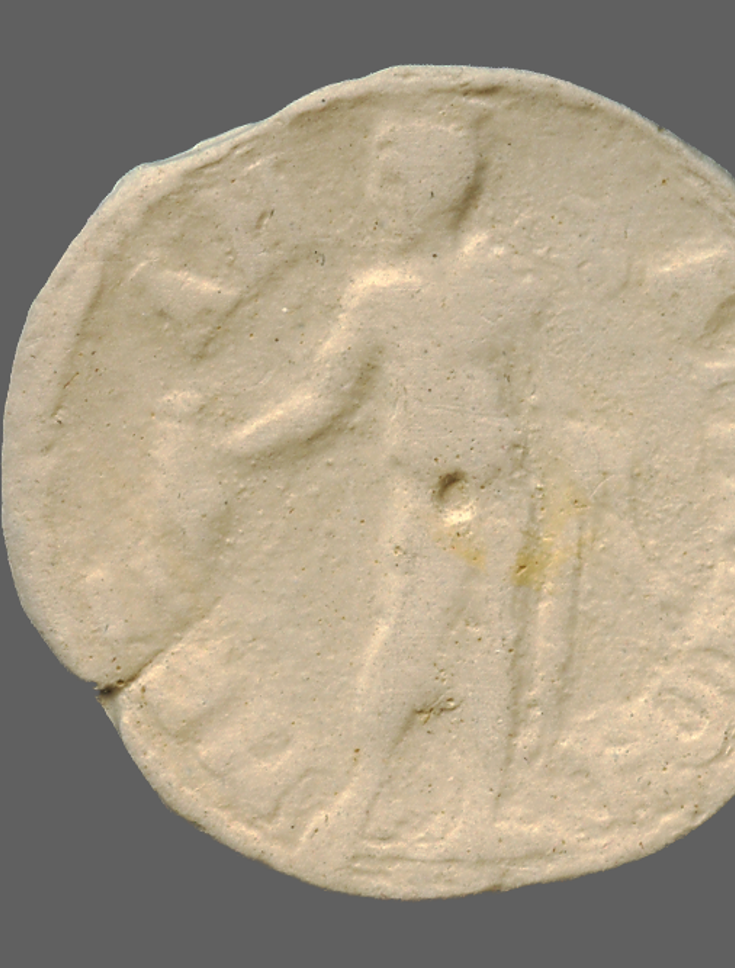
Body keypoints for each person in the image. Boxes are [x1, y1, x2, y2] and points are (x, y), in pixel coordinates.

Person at [226, 117, 586, 852]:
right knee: (406, 644)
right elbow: (321, 402)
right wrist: (237, 446)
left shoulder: (506, 287)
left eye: (393, 182)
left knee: (494, 648)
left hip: (500, 493)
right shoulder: (380, 297)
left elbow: (542, 397)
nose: (380, 198)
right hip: (422, 498)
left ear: (439, 188)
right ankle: (359, 802)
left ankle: (481, 818)